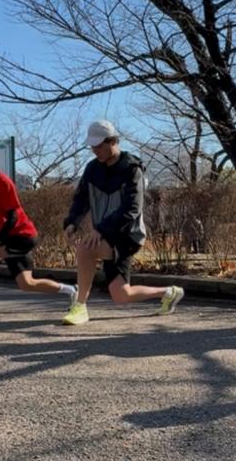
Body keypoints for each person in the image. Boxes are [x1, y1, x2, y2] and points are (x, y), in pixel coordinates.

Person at [61, 120, 184, 325]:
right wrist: (72, 222)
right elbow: (81, 198)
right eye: (92, 146)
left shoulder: (132, 169)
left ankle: (80, 306)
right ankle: (169, 293)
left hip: (128, 234)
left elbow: (132, 208)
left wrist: (100, 230)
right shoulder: (92, 169)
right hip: (106, 234)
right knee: (121, 295)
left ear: (113, 141)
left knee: (85, 249)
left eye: (99, 145)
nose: (95, 150)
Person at [0, 138, 77, 315]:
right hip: (7, 238)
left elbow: (13, 216)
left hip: (22, 236)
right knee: (27, 284)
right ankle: (72, 290)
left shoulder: (2, 181)